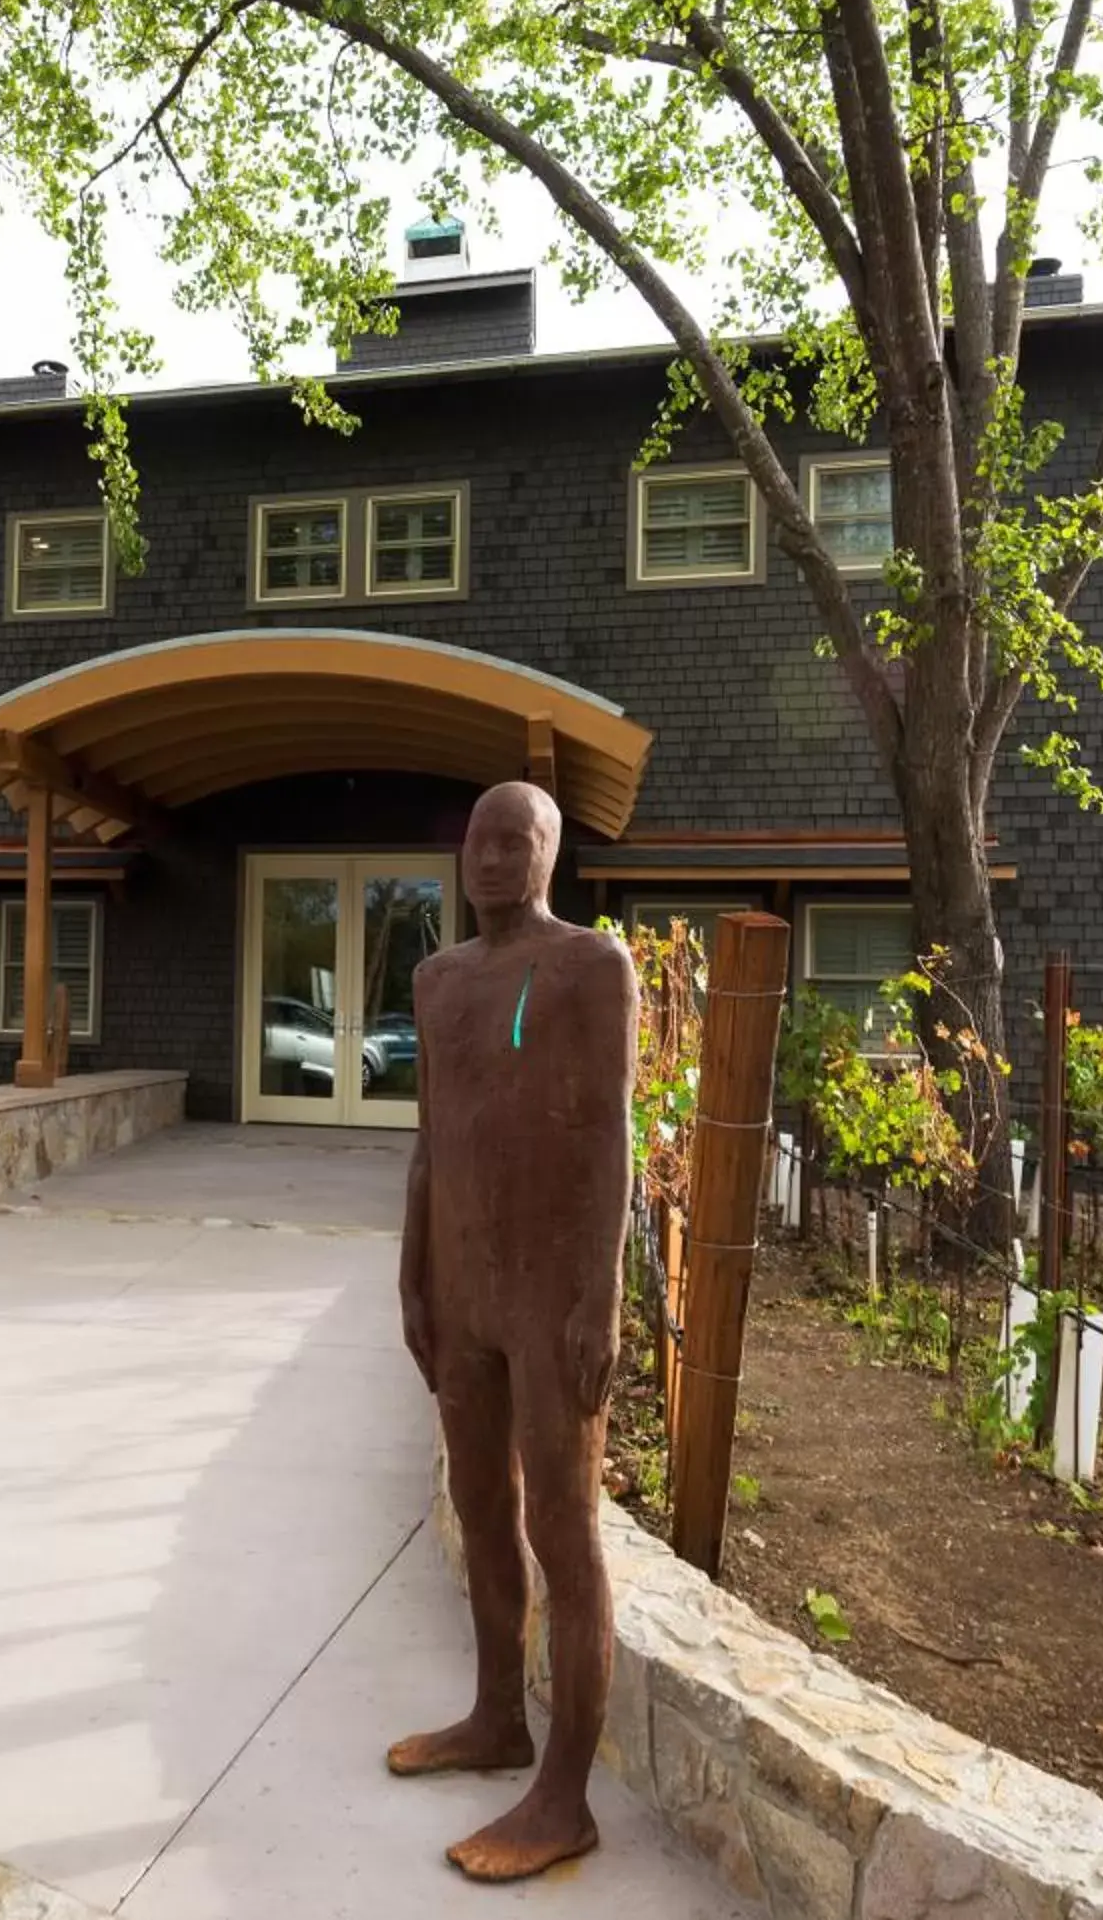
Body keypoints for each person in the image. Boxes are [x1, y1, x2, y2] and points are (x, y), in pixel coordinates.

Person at [388, 779, 637, 1881]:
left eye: (515, 840)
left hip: (551, 1301)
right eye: (477, 841)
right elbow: (431, 1144)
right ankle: (498, 1716)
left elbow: (611, 1138)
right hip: (464, 1288)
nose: (490, 858)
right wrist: (413, 1277)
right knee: (478, 1503)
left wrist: (603, 1296)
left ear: (550, 853)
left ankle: (564, 1799)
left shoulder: (591, 968)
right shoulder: (437, 980)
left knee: (563, 1532)